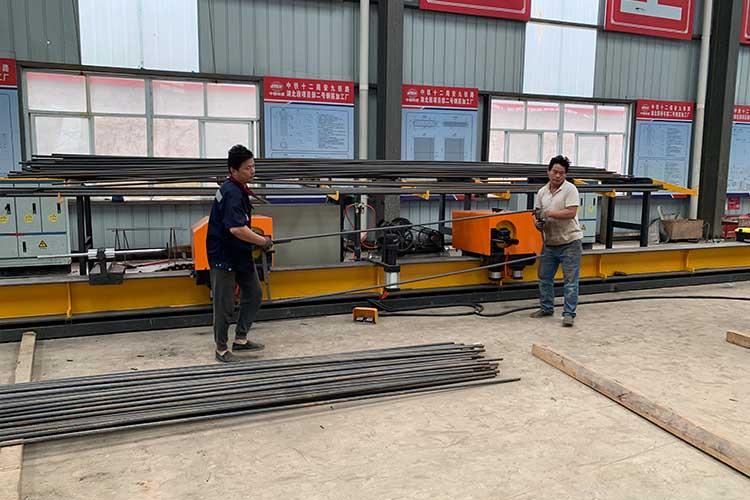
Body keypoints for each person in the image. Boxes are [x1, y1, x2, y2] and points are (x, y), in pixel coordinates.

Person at [207, 144, 273, 362]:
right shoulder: (231, 193)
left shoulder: (239, 188)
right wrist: (263, 241)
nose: (252, 171)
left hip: (240, 252)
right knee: (224, 305)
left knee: (254, 294)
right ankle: (221, 349)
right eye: (247, 168)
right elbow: (236, 229)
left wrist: (255, 239)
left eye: (253, 166)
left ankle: (241, 339)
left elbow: (240, 226)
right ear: (233, 170)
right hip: (224, 255)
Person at [530, 155, 583, 327]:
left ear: (565, 174)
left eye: (561, 173)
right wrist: (537, 222)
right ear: (548, 172)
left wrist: (549, 213)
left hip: (570, 242)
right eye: (555, 171)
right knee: (544, 277)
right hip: (550, 242)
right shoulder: (542, 192)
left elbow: (571, 212)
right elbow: (536, 213)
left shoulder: (570, 190)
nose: (558, 175)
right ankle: (546, 308)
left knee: (570, 281)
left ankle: (569, 314)